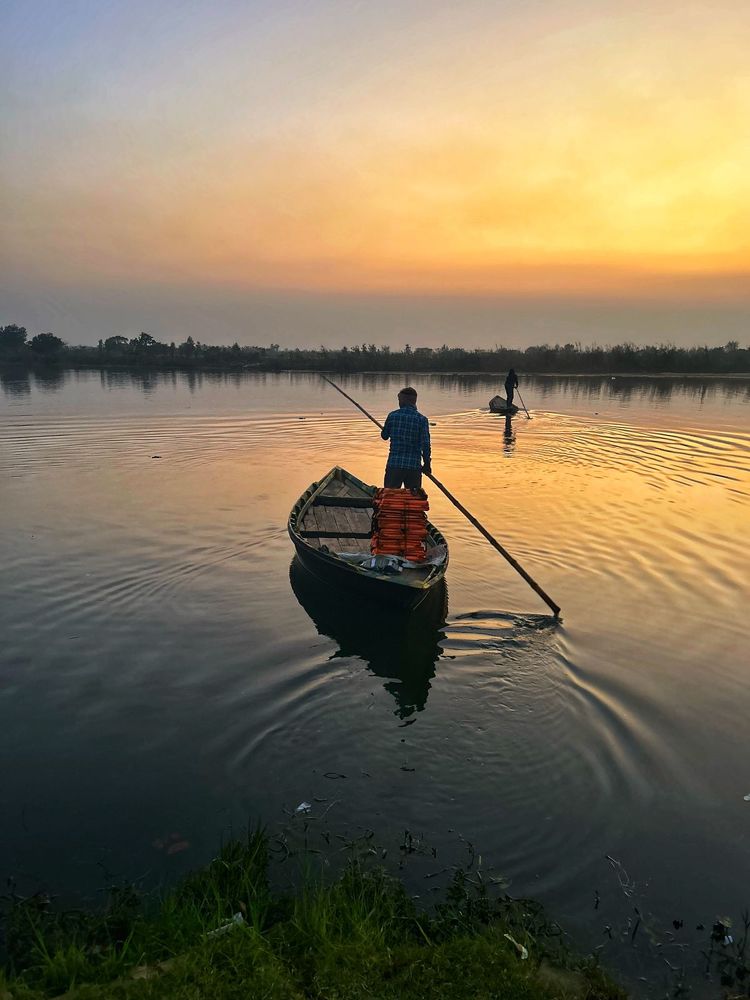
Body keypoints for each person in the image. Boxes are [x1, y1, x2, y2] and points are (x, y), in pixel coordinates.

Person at [380, 387, 431, 489]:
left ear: (403, 400)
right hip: (414, 467)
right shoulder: (422, 419)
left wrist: (386, 429)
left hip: (394, 465)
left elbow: (384, 436)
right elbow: (426, 445)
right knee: (413, 499)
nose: (399, 402)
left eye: (399, 400)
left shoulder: (392, 416)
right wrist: (427, 464)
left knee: (391, 496)